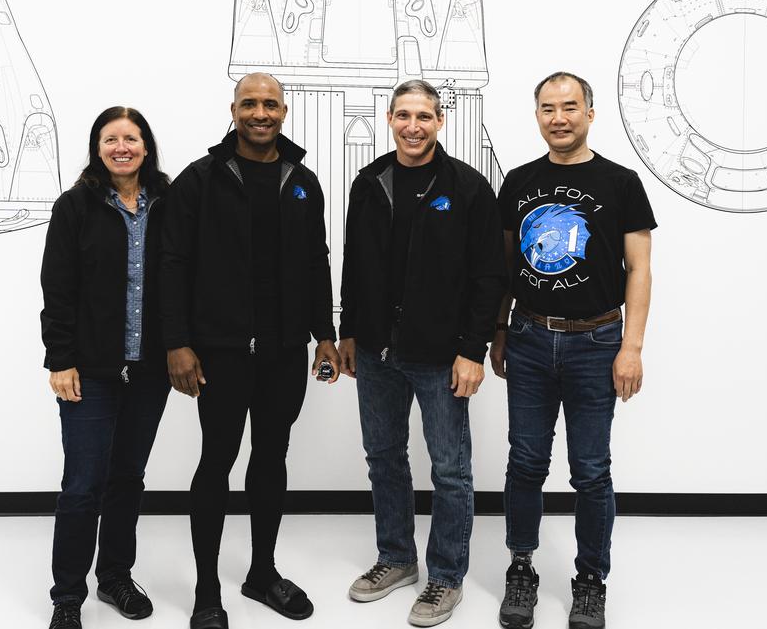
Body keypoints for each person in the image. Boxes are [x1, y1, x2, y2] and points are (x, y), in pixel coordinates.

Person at [160, 72, 340, 629]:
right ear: (233, 109)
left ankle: (262, 573)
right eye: (249, 103)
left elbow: (316, 260)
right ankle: (207, 591)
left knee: (270, 461)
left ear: (283, 111)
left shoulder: (302, 179)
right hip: (219, 351)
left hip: (284, 352)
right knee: (217, 461)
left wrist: (324, 335)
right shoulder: (200, 179)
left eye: (270, 104)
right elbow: (172, 264)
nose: (260, 113)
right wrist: (178, 343)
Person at [490, 72, 656, 629]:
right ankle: (521, 567)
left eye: (568, 106)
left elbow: (640, 270)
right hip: (531, 338)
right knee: (526, 462)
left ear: (590, 111)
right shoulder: (516, 182)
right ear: (536, 115)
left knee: (590, 470)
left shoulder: (621, 183)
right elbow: (505, 267)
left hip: (597, 341)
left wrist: (631, 346)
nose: (557, 118)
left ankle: (590, 580)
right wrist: (499, 329)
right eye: (546, 108)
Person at [338, 79, 506, 627]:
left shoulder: (468, 187)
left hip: (441, 355)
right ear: (389, 119)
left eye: (424, 116)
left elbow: (488, 276)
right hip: (376, 352)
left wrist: (472, 350)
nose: (414, 126)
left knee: (450, 470)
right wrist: (349, 331)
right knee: (384, 459)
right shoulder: (369, 182)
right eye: (404, 115)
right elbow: (354, 263)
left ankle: (445, 577)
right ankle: (396, 559)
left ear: (440, 122)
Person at [40, 107, 174, 629]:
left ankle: (115, 576)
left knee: (128, 479)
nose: (122, 147)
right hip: (89, 372)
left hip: (149, 371)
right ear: (98, 148)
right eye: (111, 139)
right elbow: (58, 288)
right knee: (82, 484)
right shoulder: (74, 207)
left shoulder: (168, 204)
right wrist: (60, 360)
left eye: (132, 138)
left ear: (146, 146)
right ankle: (68, 597)